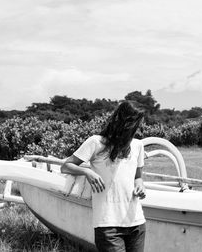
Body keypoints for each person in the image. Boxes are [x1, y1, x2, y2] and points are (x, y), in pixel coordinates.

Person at [61, 101, 146, 252]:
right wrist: (87, 172)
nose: (138, 128)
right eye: (136, 123)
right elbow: (66, 166)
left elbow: (137, 177)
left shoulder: (138, 145)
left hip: (136, 222)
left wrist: (140, 186)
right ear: (125, 123)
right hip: (108, 225)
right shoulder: (96, 142)